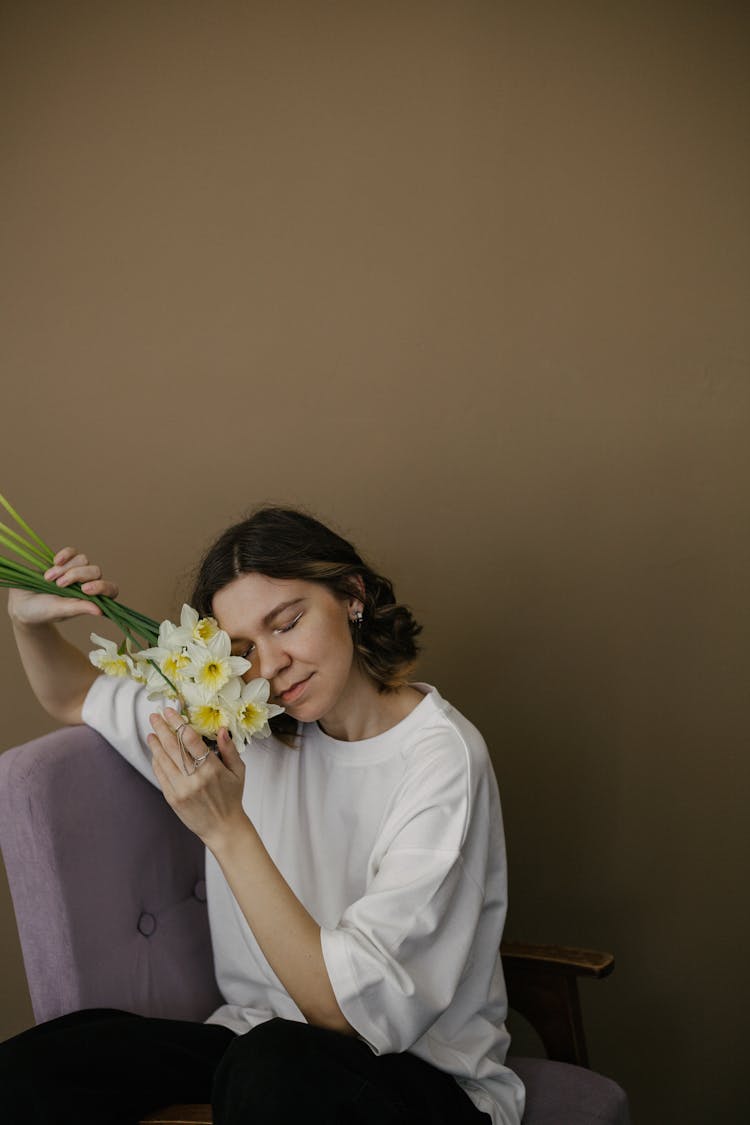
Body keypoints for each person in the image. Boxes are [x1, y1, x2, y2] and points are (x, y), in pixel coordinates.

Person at [1, 505, 525, 1125]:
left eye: (289, 622)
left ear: (351, 595)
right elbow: (72, 694)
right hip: (258, 1040)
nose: (271, 666)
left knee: (274, 1064)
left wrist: (226, 830)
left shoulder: (441, 760)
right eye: (245, 648)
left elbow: (344, 1014)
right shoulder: (243, 721)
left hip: (420, 1076)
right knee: (55, 1058)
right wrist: (28, 621)